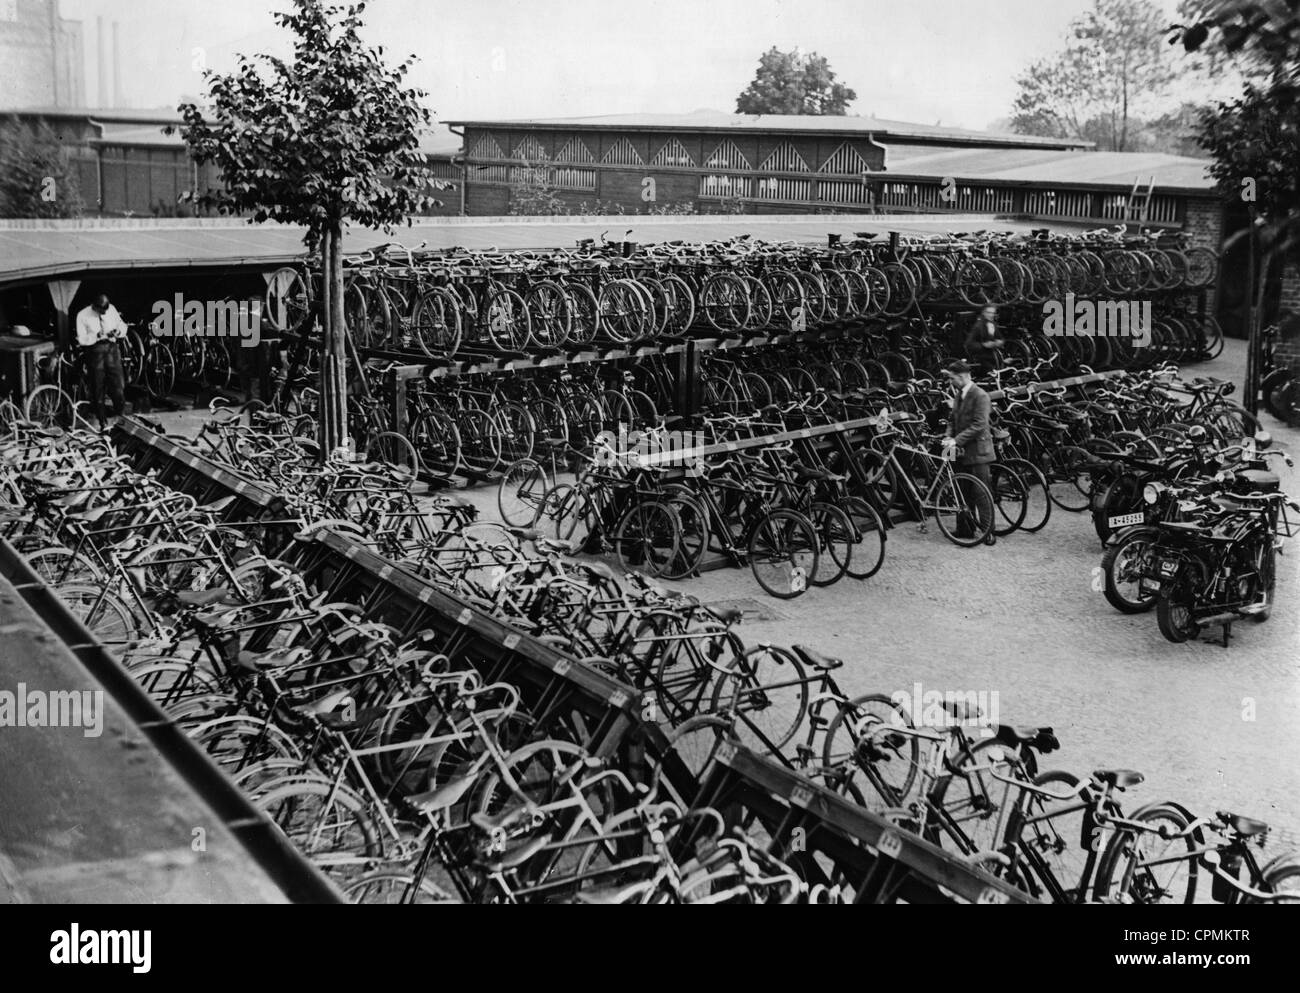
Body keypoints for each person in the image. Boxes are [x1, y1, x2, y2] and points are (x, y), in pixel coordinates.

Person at [941, 359, 996, 546]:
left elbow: (980, 425)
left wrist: (955, 440)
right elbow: (952, 420)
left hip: (978, 451)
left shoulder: (980, 395)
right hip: (961, 450)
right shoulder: (959, 396)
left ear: (963, 376)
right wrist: (948, 437)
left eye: (952, 378)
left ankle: (988, 531)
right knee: (961, 490)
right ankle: (965, 528)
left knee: (981, 492)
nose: (950, 382)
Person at [75, 293, 128, 427]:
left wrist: (118, 332)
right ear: (94, 307)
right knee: (97, 388)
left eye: (106, 310)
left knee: (118, 386)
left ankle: (120, 417)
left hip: (111, 349)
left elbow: (122, 325)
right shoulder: (82, 315)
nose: (104, 313)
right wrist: (96, 335)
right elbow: (81, 339)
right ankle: (102, 421)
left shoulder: (111, 310)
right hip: (95, 351)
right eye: (101, 311)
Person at [964, 305, 1003, 372]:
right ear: (984, 313)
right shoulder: (978, 326)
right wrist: (984, 345)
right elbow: (968, 344)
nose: (991, 315)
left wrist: (999, 342)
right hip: (980, 356)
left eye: (993, 313)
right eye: (989, 313)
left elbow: (999, 338)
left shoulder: (993, 324)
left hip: (992, 355)